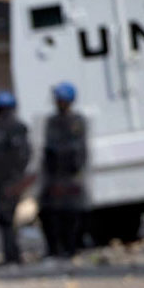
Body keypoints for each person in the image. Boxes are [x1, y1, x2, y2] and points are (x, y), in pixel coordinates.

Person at [39, 82, 88, 258]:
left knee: (72, 213)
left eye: (61, 100)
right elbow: (48, 148)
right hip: (54, 175)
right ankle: (55, 248)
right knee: (49, 213)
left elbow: (79, 149)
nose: (58, 103)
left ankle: (72, 246)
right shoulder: (52, 121)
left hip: (71, 175)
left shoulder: (77, 121)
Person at [0, 91, 31, 264]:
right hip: (0, 181)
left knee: (7, 217)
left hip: (12, 181)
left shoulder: (17, 128)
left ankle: (13, 255)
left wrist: (17, 179)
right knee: (4, 219)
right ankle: (10, 254)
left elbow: (23, 156)